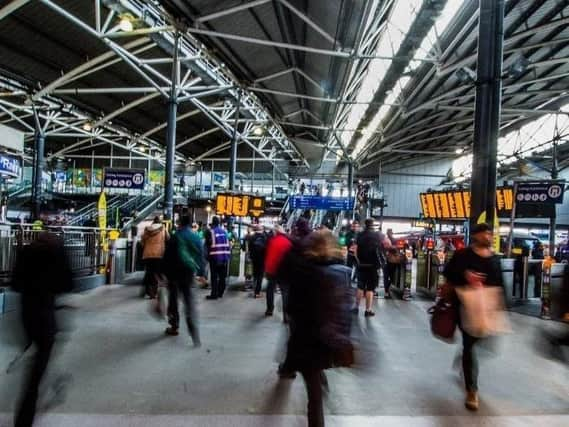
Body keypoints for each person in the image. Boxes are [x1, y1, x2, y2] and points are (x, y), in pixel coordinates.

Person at [277, 230, 353, 427]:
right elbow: (346, 308)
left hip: (307, 339)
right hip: (329, 339)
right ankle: (320, 383)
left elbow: (292, 308)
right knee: (315, 387)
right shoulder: (341, 272)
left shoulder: (304, 272)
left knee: (314, 395)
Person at [11, 233, 74, 427]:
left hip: (27, 312)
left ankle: (44, 383)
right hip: (46, 312)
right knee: (41, 359)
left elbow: (16, 283)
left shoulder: (26, 251)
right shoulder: (57, 252)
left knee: (38, 353)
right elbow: (67, 284)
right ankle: (26, 415)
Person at [443, 223, 503, 411]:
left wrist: (501, 305)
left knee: (487, 345)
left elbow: (500, 282)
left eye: (491, 234)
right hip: (466, 305)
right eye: (486, 233)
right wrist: (466, 277)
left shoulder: (494, 259)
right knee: (469, 344)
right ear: (476, 235)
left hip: (487, 307)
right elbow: (449, 274)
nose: (489, 236)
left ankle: (464, 359)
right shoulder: (463, 255)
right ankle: (472, 390)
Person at [162, 215, 203, 346]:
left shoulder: (176, 236)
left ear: (180, 223)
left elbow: (167, 256)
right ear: (191, 224)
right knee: (188, 300)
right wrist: (201, 273)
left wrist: (164, 274)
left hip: (174, 274)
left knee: (173, 299)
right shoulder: (196, 237)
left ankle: (174, 326)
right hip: (189, 273)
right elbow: (201, 256)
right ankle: (193, 329)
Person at [354, 218, 383, 316]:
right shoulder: (377, 235)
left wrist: (358, 261)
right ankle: (368, 310)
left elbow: (355, 251)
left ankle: (356, 307)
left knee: (360, 286)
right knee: (370, 288)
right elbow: (381, 250)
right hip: (373, 266)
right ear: (372, 224)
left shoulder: (360, 235)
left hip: (361, 264)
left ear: (365, 224)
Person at [265, 224, 292, 318]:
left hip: (272, 270)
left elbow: (268, 256)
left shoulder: (272, 241)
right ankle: (285, 315)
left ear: (275, 232)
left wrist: (267, 269)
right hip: (284, 271)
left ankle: (269, 310)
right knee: (285, 292)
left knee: (270, 290)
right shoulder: (288, 242)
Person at [141, 216, 169, 298]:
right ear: (160, 222)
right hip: (159, 254)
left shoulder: (147, 229)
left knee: (149, 272)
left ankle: (148, 291)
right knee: (156, 273)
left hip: (147, 254)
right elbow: (168, 238)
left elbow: (142, 241)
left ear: (153, 222)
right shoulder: (163, 229)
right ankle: (154, 292)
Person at [204, 216, 230, 300]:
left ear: (212, 223)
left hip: (214, 257)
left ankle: (214, 294)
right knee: (222, 276)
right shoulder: (224, 231)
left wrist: (206, 257)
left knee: (214, 277)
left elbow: (207, 245)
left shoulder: (210, 232)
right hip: (224, 257)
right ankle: (220, 293)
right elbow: (228, 244)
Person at [248, 224, 267, 298]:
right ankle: (257, 292)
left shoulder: (252, 237)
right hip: (262, 259)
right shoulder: (264, 237)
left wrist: (251, 256)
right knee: (260, 275)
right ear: (261, 229)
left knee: (255, 274)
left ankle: (254, 289)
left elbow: (249, 248)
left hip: (254, 258)